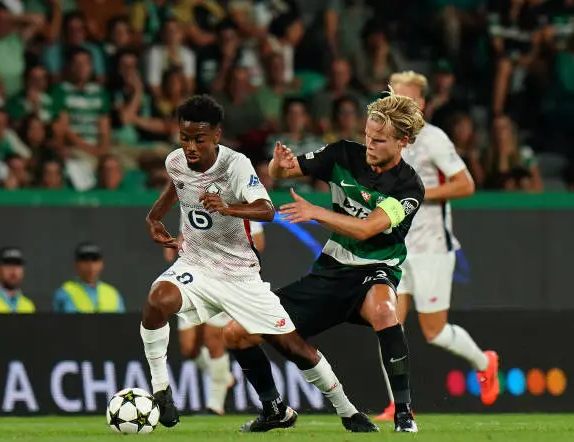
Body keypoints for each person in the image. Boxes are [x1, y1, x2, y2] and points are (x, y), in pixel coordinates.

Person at [140, 95, 374, 433]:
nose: (190, 147)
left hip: (239, 276)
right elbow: (176, 187)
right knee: (157, 299)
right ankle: (161, 391)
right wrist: (153, 219)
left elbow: (266, 210)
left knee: (295, 348)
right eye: (185, 138)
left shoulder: (236, 165)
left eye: (199, 139)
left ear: (217, 135)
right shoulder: (175, 161)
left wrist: (227, 207)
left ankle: (348, 410)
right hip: (196, 264)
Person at [224, 89, 427, 433]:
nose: (369, 144)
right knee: (235, 333)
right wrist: (279, 163)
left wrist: (315, 212)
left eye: (379, 140)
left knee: (384, 311)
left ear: (402, 141)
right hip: (331, 270)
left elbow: (366, 229)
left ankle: (404, 413)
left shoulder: (408, 186)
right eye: (367, 135)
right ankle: (273, 408)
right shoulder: (343, 154)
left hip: (375, 270)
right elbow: (283, 173)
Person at [374, 71, 499, 421]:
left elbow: (465, 185)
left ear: (422, 103)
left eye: (407, 98)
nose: (399, 104)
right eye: (394, 97)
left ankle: (483, 360)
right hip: (396, 247)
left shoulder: (434, 139)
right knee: (386, 325)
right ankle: (399, 405)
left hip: (431, 247)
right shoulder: (383, 138)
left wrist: (420, 195)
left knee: (434, 331)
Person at [163, 221, 265, 415]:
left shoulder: (244, 203)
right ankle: (223, 377)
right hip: (192, 278)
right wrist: (178, 243)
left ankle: (215, 404)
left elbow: (259, 243)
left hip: (223, 281)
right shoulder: (193, 197)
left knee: (213, 338)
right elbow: (188, 231)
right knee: (188, 347)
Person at [52, 242, 125, 313]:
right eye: (85, 260)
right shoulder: (64, 293)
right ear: (76, 264)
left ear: (101, 264)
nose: (90, 265)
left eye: (94, 260)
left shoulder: (113, 294)